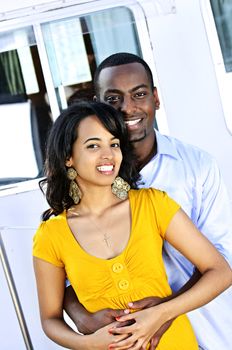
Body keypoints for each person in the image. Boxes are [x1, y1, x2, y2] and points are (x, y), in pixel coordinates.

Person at [64, 53, 232, 350]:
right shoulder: (81, 178)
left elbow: (223, 258)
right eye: (113, 98)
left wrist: (163, 312)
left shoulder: (197, 167)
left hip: (211, 327)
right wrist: (81, 317)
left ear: (155, 98)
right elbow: (62, 269)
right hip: (132, 339)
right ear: (98, 104)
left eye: (139, 94)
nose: (128, 108)